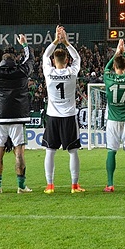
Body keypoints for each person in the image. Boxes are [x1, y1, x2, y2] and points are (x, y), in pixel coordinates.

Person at [0, 33, 35, 194]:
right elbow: (30, 60)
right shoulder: (22, 72)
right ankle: (21, 186)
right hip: (18, 117)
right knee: (19, 153)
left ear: (1, 61)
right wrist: (25, 45)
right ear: (15, 61)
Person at [41, 25, 85, 194]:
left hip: (53, 116)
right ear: (67, 61)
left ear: (54, 61)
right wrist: (66, 42)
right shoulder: (72, 72)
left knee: (50, 151)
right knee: (73, 152)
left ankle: (50, 185)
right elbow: (77, 57)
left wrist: (55, 40)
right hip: (69, 116)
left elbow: (45, 55)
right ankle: (74, 186)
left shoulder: (48, 72)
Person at [102, 39, 125, 192]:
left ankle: (110, 184)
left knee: (112, 150)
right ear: (124, 67)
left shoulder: (108, 78)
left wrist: (117, 53)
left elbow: (106, 67)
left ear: (115, 67)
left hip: (112, 120)